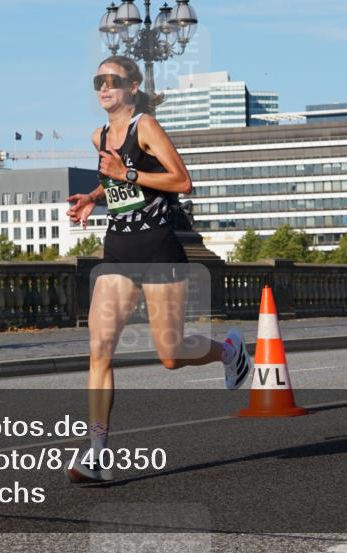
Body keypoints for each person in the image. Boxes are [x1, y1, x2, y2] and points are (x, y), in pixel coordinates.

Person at [64, 55, 251, 483]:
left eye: (112, 80)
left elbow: (181, 181)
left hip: (158, 249)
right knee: (99, 350)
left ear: (132, 87)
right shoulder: (99, 135)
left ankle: (229, 351)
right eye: (98, 80)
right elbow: (115, 182)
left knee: (170, 354)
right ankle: (97, 454)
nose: (104, 87)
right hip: (117, 252)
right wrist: (94, 196)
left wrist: (126, 172)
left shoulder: (144, 126)